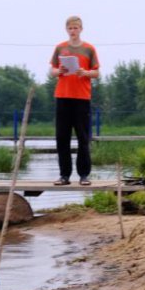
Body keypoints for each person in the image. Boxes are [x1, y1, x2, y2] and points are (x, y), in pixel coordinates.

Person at [49, 15, 100, 186]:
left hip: (82, 97)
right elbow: (52, 71)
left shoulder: (89, 49)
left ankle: (84, 175)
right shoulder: (60, 48)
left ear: (81, 29)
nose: (73, 31)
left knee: (83, 137)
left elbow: (96, 72)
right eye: (70, 28)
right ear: (66, 29)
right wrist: (59, 70)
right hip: (63, 96)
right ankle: (64, 175)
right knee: (62, 137)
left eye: (76, 28)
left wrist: (85, 73)